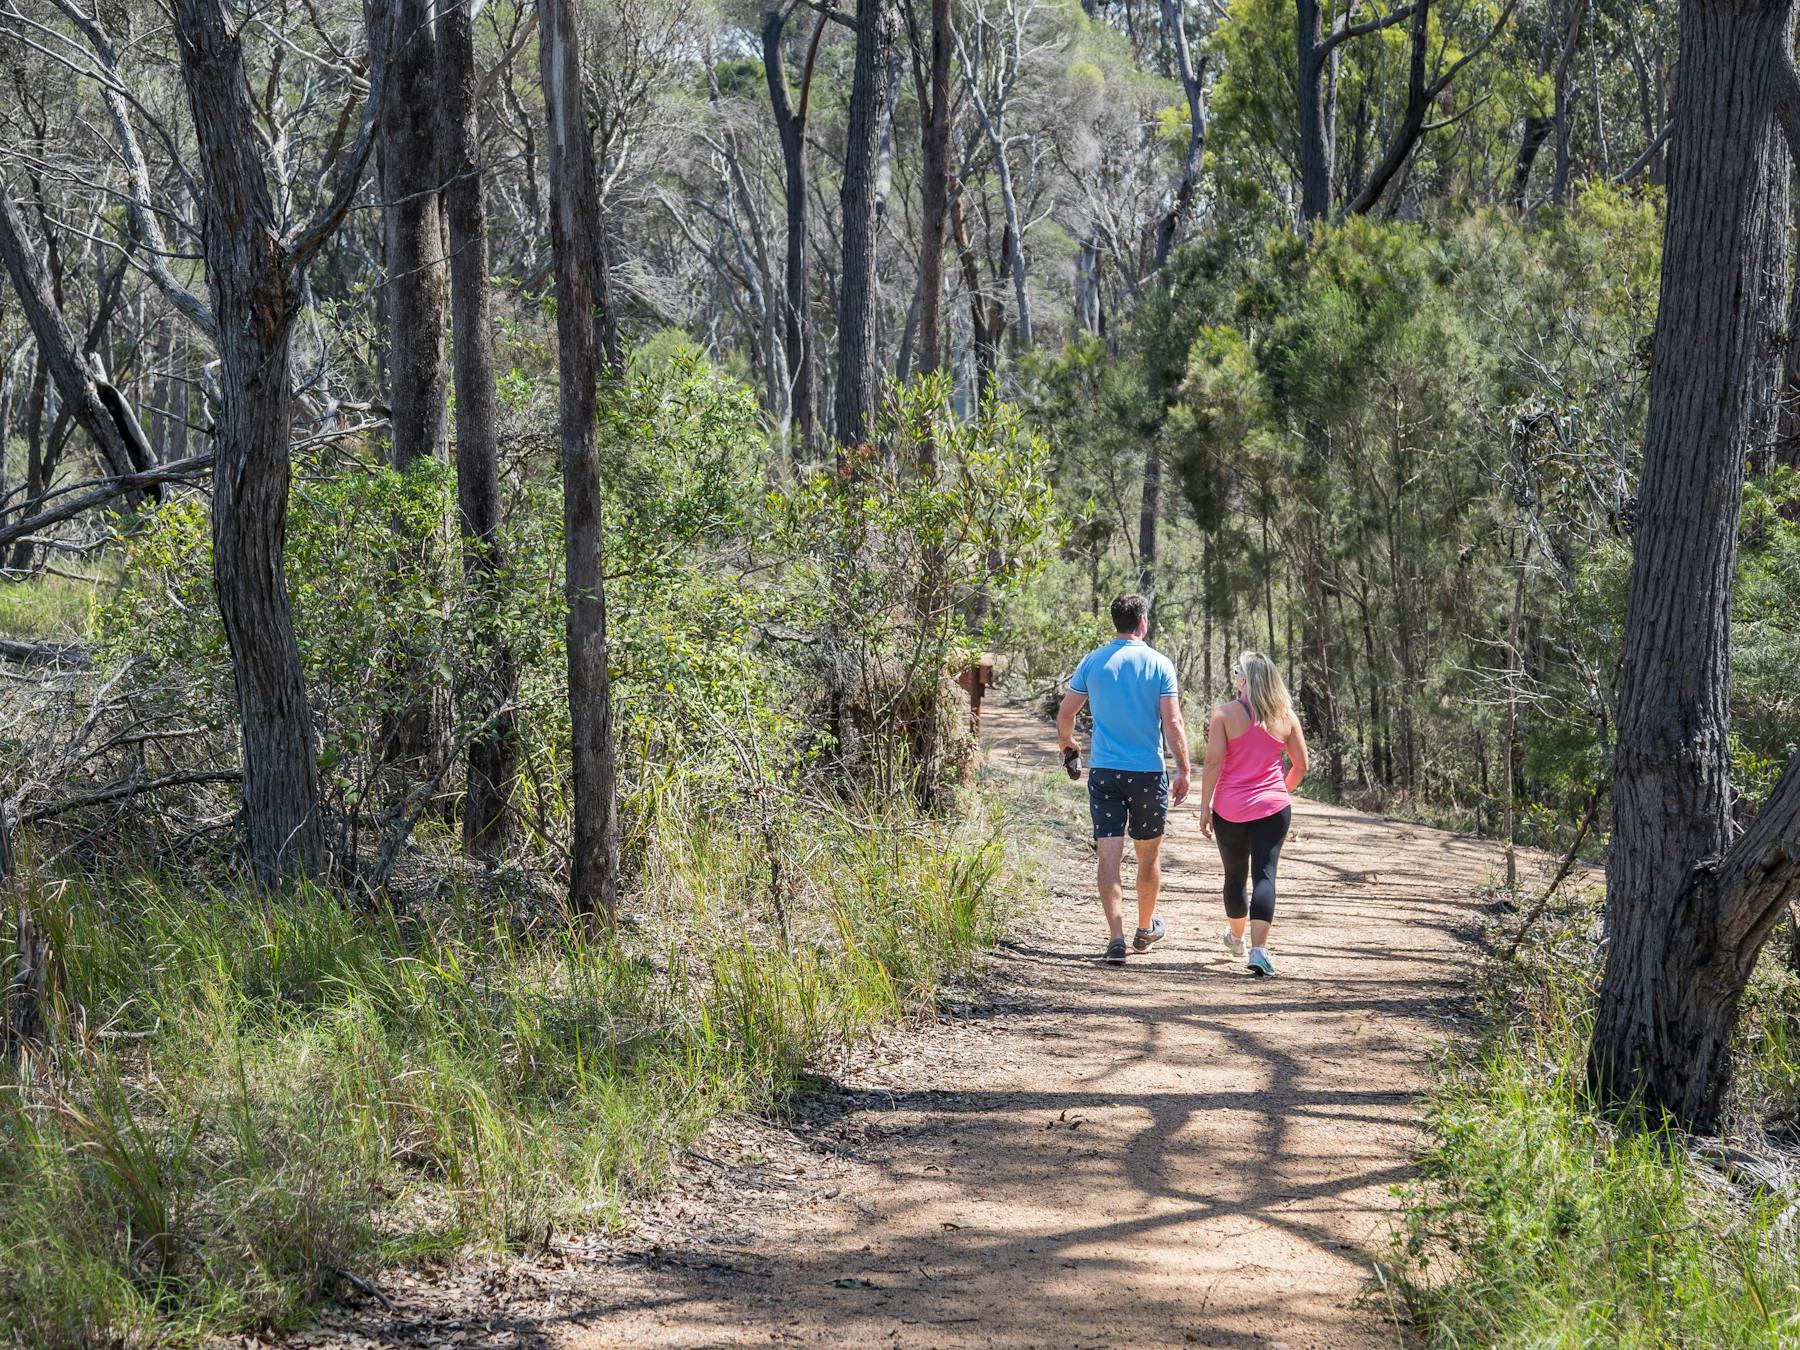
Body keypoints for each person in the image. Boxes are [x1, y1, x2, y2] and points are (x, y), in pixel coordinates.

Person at [1056, 594, 1191, 965]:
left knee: (1109, 854)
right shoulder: (1159, 664)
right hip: (1147, 773)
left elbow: (1066, 714)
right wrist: (1184, 768)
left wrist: (1068, 746)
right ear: (1143, 622)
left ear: (1115, 622)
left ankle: (1115, 938)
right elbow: (1173, 722)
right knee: (1148, 856)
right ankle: (1144, 928)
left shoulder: (1093, 662)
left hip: (1104, 772)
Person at [1198, 651, 1308, 977]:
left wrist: (1204, 807)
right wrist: (1280, 792)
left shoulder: (1224, 715)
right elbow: (1301, 766)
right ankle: (1259, 950)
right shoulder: (1286, 716)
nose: (1235, 678)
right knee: (1265, 875)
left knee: (1235, 877)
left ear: (1244, 679)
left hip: (1230, 811)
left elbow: (1214, 763)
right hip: (1273, 809)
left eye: (1236, 672)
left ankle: (1236, 937)